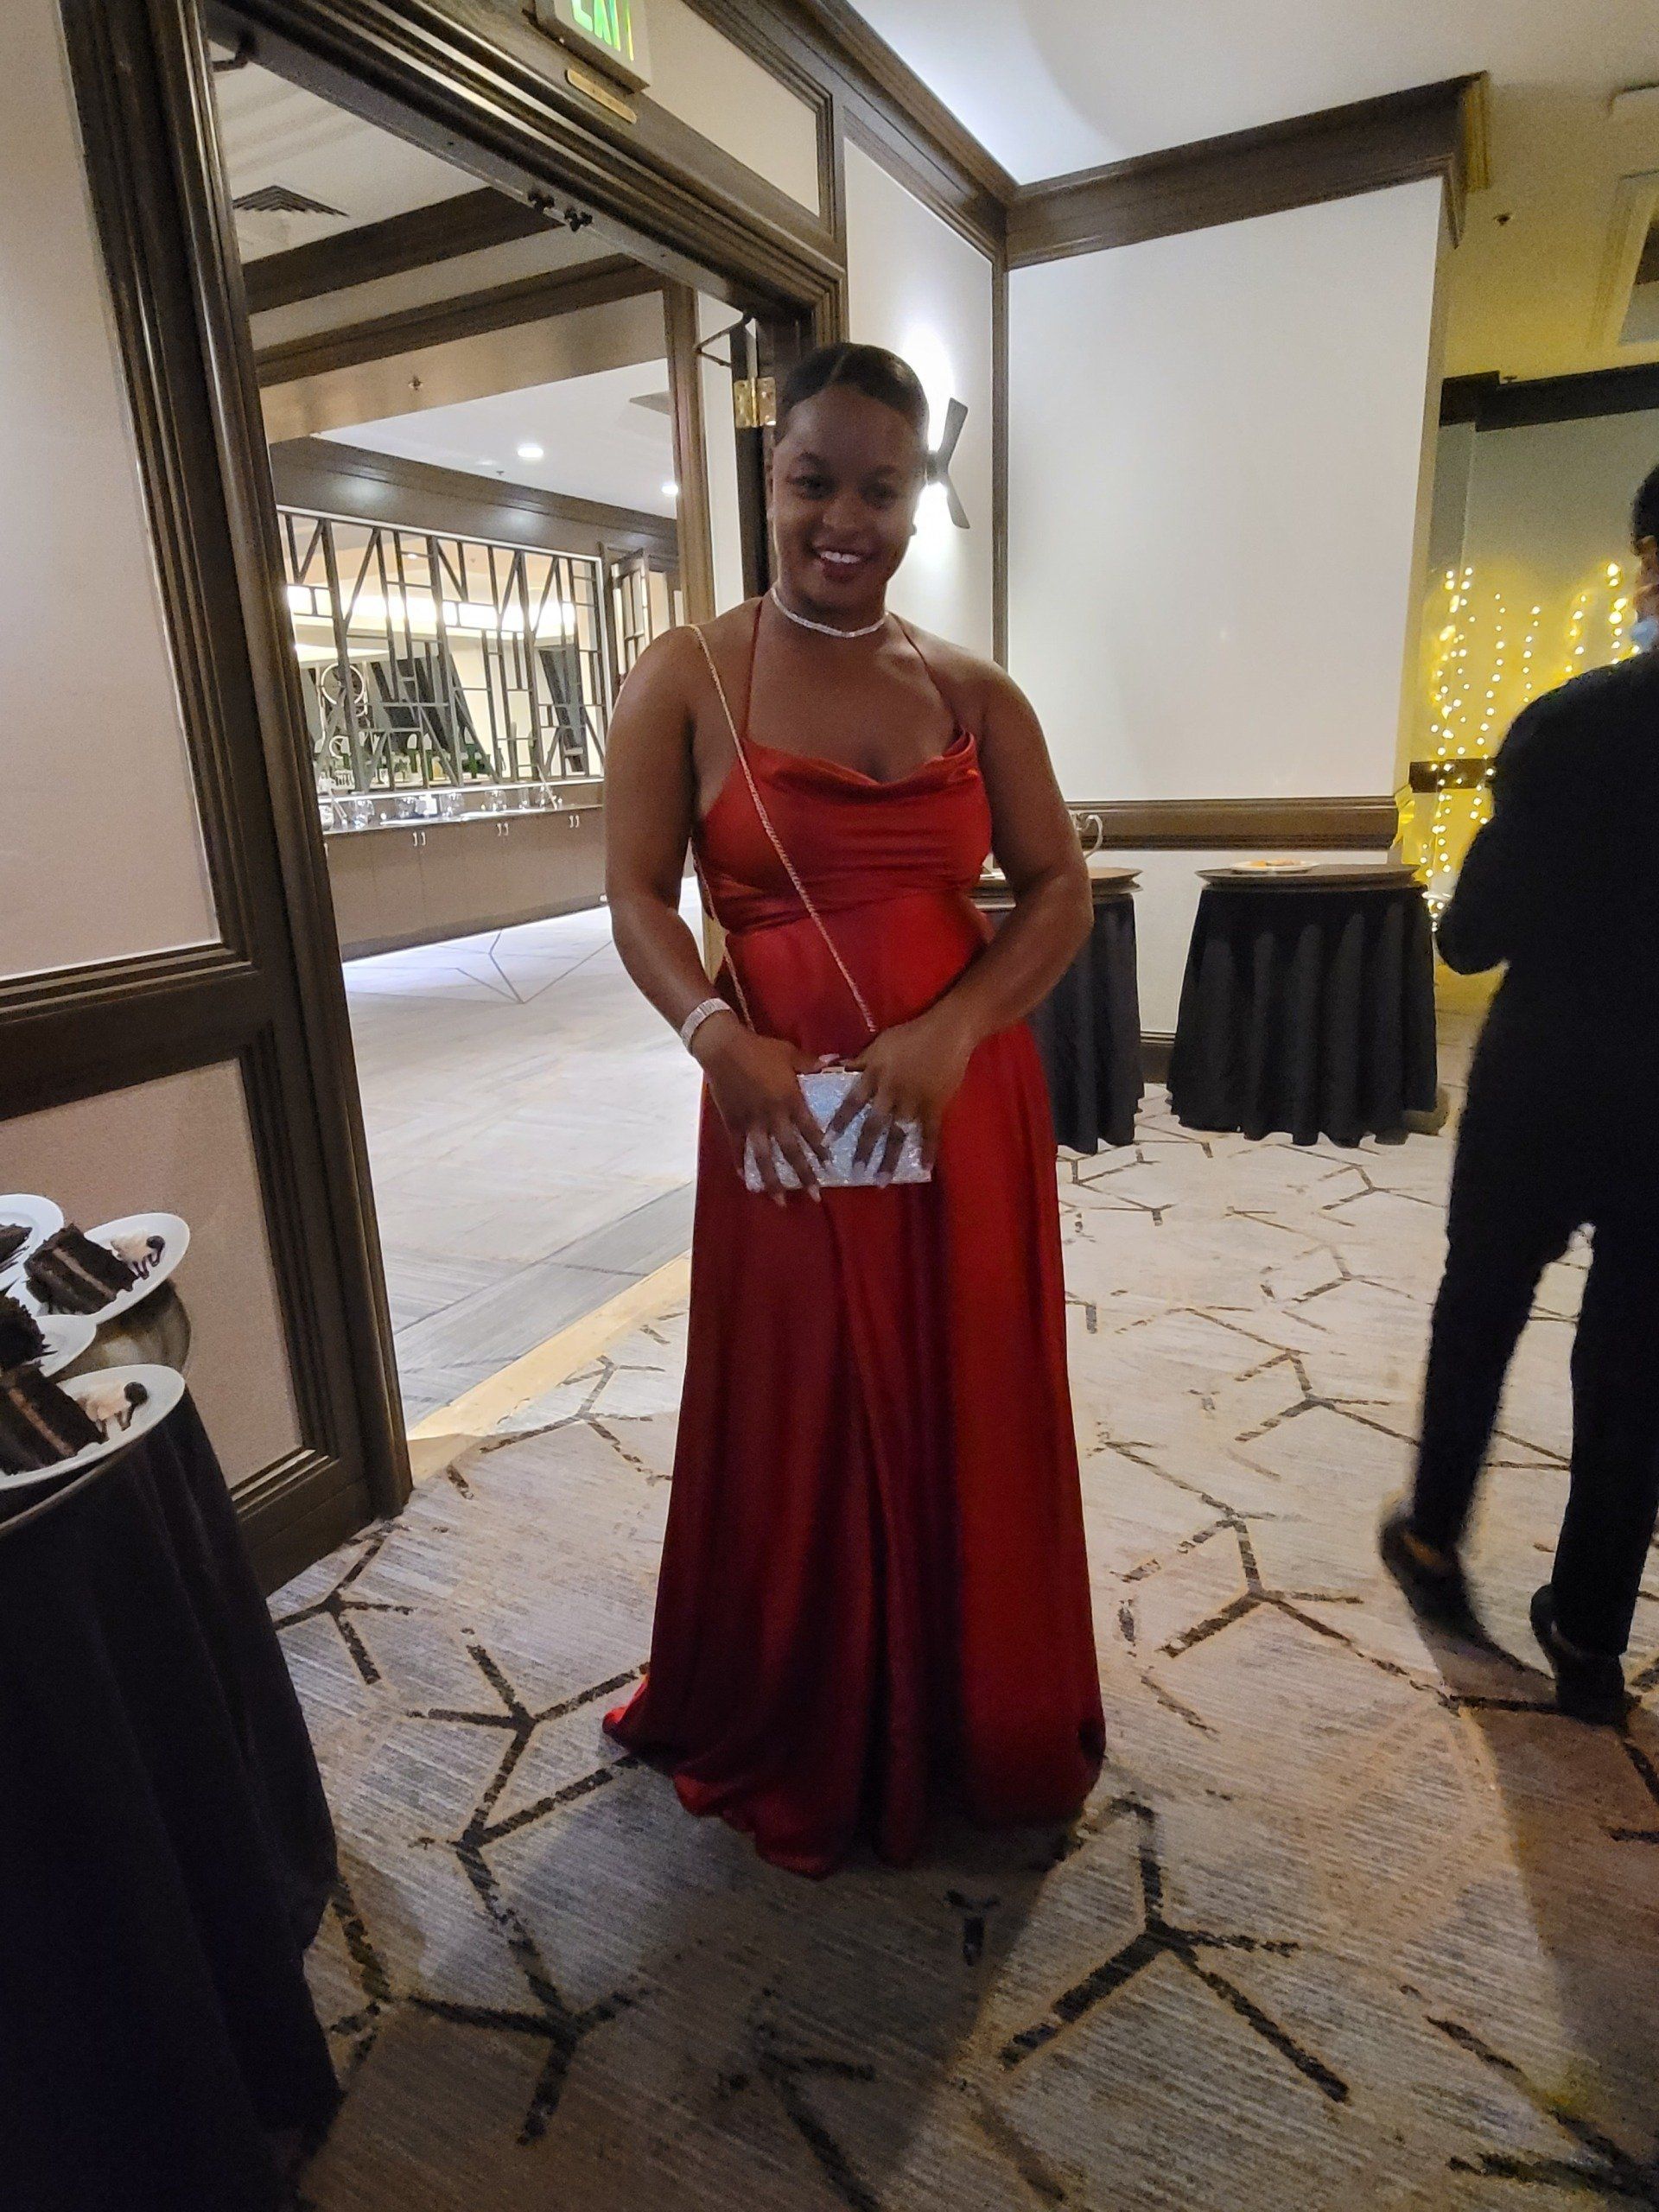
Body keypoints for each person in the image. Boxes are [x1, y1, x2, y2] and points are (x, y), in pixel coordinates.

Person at [600, 342, 1105, 1874]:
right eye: (814, 480)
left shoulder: (970, 687)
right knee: (808, 1407)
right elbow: (631, 895)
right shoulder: (688, 672)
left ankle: (978, 1709)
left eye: (880, 490)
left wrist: (956, 1032)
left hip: (962, 1109)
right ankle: (805, 1705)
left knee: (969, 1389)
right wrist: (710, 1033)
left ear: (914, 502)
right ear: (770, 482)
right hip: (783, 1115)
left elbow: (1059, 887)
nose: (845, 519)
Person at [1382, 462, 1659, 1722]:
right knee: (1641, 1361)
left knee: (1483, 1303)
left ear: (1648, 560)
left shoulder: (1573, 722)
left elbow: (1471, 939)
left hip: (1551, 1074)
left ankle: (1435, 1540)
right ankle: (1592, 1630)